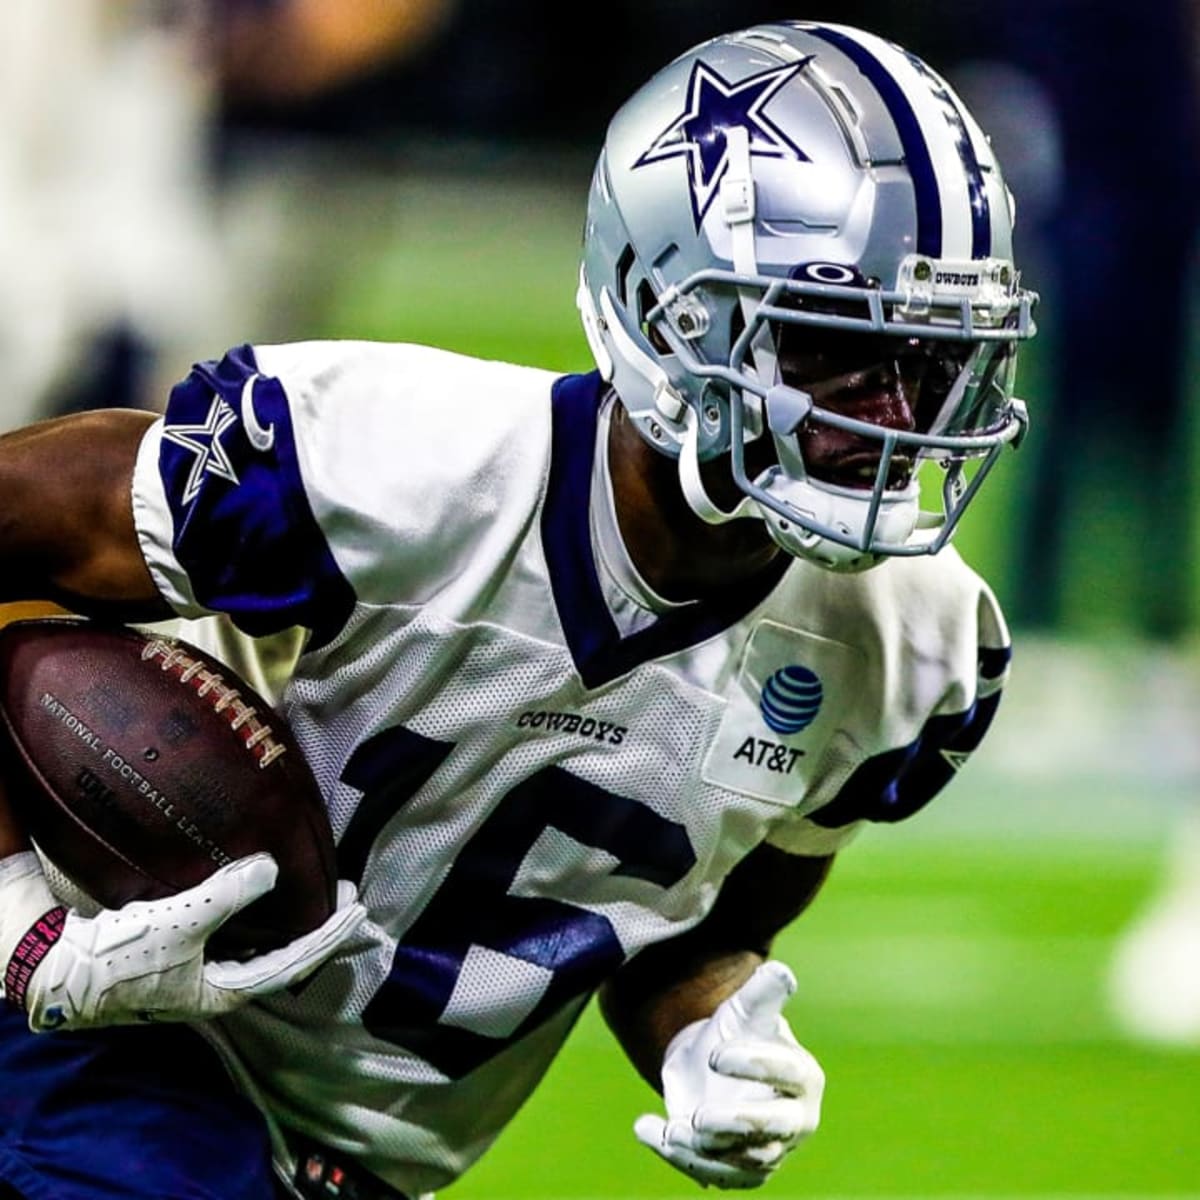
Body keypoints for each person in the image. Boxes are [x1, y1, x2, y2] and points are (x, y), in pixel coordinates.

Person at [0, 20, 1038, 1200]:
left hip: (351, 1164)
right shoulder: (379, 465)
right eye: (833, 350)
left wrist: (707, 1030)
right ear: (666, 310)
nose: (898, 417)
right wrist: (13, 910)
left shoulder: (916, 650)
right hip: (86, 1048)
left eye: (932, 359)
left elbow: (673, 926)